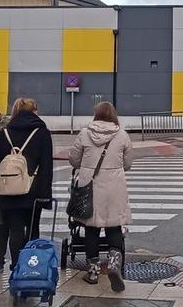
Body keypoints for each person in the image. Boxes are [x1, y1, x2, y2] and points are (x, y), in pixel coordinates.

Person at [0, 98, 53, 275]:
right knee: (32, 228)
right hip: (34, 189)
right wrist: (45, 194)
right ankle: (30, 266)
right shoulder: (42, 132)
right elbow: (46, 165)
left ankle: (16, 266)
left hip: (8, 189)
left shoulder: (5, 132)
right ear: (33, 111)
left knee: (15, 230)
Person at [69, 101, 133, 292]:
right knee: (113, 226)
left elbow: (73, 159)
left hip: (90, 186)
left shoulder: (84, 133)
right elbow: (128, 164)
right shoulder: (122, 135)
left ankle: (93, 271)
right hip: (114, 188)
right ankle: (113, 263)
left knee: (91, 229)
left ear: (96, 114)